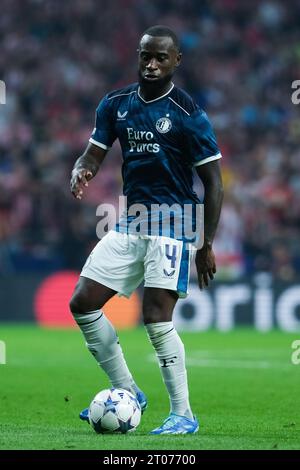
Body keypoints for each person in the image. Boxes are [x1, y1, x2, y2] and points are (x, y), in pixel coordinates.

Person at [69, 25, 223, 435]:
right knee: (82, 302)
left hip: (174, 223)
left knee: (156, 317)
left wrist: (207, 243)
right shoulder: (115, 103)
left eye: (160, 58)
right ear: (138, 56)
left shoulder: (189, 114)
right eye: (145, 56)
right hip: (132, 221)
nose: (151, 64)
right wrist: (82, 169)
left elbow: (214, 182)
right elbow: (94, 153)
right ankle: (128, 391)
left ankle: (183, 414)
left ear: (177, 61)